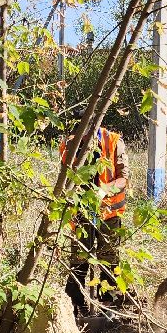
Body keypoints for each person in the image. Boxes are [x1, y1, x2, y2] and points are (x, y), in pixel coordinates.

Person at [60, 125, 128, 311]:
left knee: (109, 258)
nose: (81, 137)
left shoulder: (113, 141)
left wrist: (104, 190)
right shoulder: (69, 144)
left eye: (85, 133)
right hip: (81, 211)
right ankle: (75, 305)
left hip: (109, 212)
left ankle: (109, 304)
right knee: (79, 259)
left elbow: (123, 179)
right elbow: (65, 178)